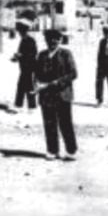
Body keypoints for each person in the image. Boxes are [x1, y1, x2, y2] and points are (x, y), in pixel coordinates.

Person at [33, 29, 78, 161]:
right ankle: (52, 150)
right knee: (49, 124)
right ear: (46, 41)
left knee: (65, 123)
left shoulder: (66, 54)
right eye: (49, 40)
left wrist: (55, 83)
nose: (52, 43)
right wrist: (36, 84)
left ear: (59, 41)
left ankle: (71, 150)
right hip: (46, 95)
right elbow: (36, 73)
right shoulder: (41, 55)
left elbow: (73, 73)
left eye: (55, 40)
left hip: (63, 94)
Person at [11, 20, 38, 111]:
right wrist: (17, 57)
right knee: (23, 85)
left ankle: (29, 106)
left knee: (27, 86)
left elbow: (32, 54)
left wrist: (20, 56)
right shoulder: (24, 40)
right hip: (24, 67)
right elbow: (22, 52)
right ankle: (24, 105)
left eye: (20, 31)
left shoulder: (30, 40)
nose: (19, 33)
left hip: (29, 67)